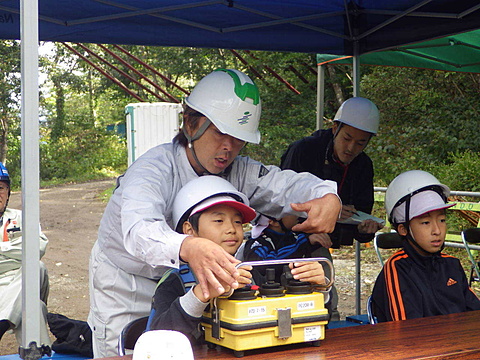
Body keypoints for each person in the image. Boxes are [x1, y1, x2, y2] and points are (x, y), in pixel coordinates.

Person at [88, 68, 341, 357]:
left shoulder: (238, 170)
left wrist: (326, 195)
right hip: (128, 280)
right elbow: (138, 230)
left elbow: (283, 185)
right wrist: (188, 246)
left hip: (197, 280)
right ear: (191, 124)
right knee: (126, 353)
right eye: (220, 132)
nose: (228, 148)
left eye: (238, 138)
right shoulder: (152, 170)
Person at [147, 176, 327, 344]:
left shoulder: (250, 272)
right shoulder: (175, 281)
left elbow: (285, 319)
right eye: (218, 220)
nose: (231, 229)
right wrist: (201, 294)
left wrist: (318, 288)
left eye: (237, 222)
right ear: (189, 230)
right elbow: (158, 341)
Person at [280, 96, 384, 320]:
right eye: (347, 138)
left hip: (321, 246)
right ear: (334, 128)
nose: (351, 148)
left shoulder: (363, 165)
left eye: (361, 143)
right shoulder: (304, 151)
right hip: (287, 243)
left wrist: (364, 229)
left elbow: (360, 212)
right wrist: (312, 227)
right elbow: (282, 204)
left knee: (327, 309)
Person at [371, 170, 480, 322]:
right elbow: (404, 330)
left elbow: (474, 314)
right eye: (425, 223)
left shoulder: (452, 264)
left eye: (442, 220)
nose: (437, 231)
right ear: (403, 229)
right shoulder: (398, 268)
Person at [0, 162, 51, 346]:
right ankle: (39, 355)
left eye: (1, 188)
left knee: (36, 267)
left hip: (18, 280)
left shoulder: (22, 216)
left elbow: (38, 247)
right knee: (32, 307)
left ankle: (3, 320)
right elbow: (28, 250)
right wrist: (16, 250)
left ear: (8, 193)